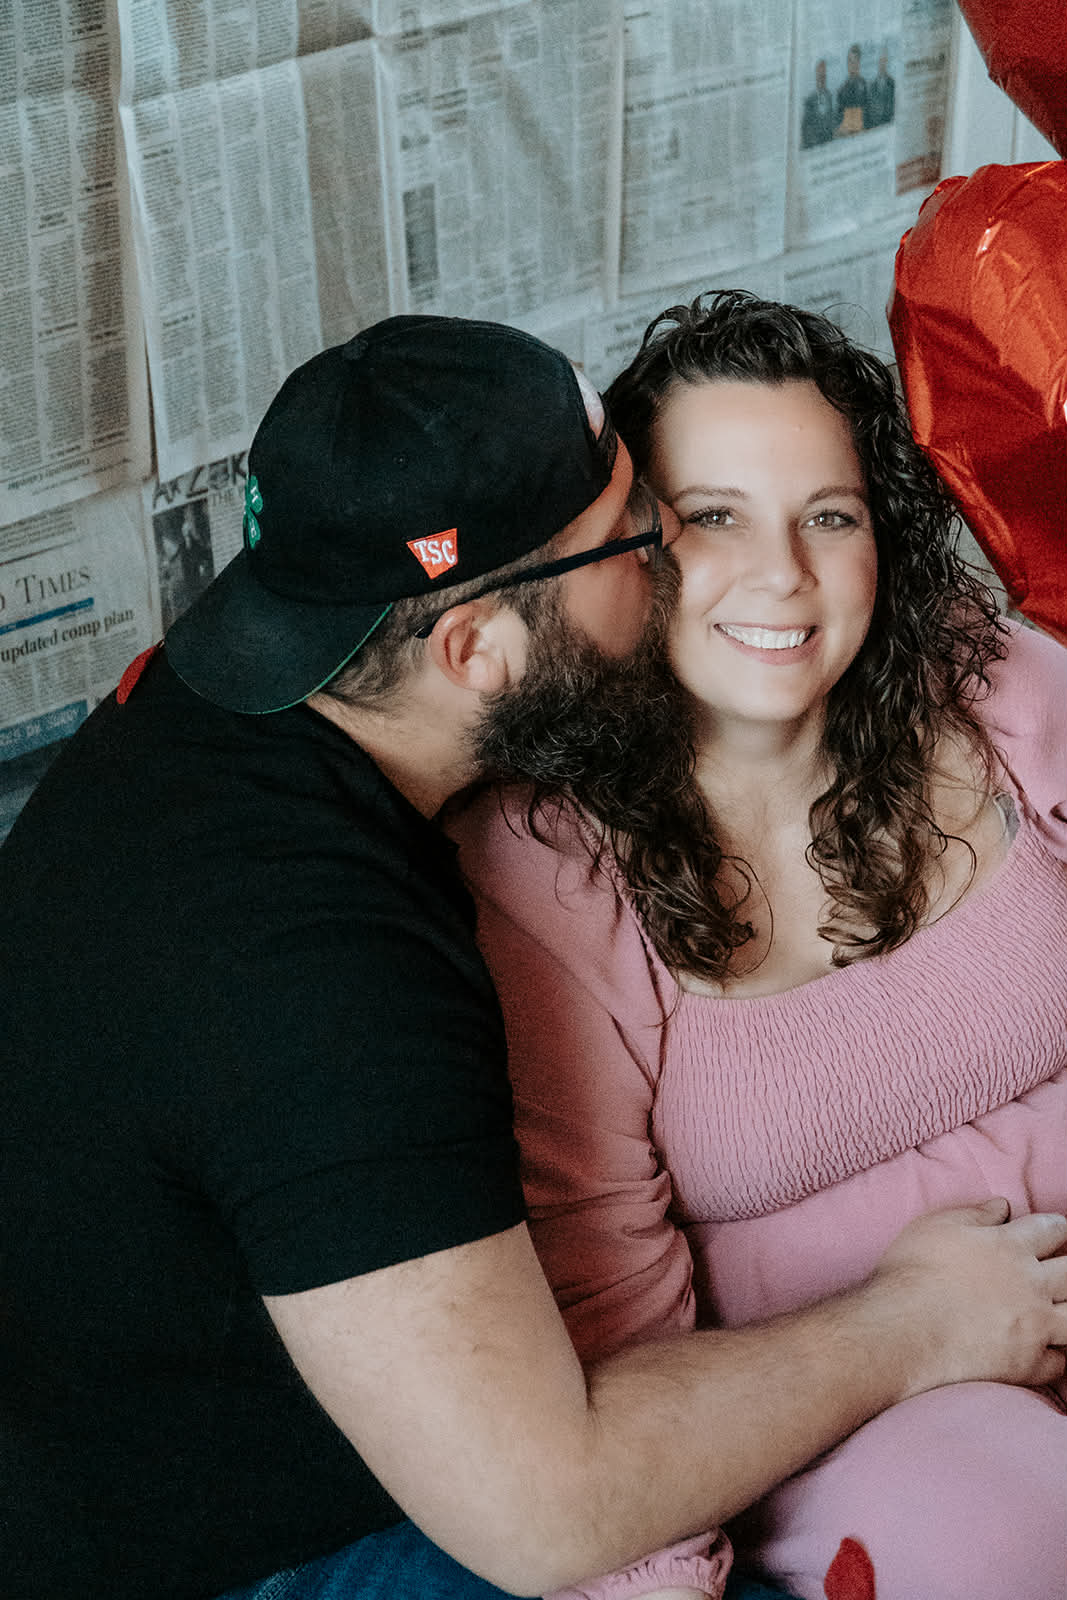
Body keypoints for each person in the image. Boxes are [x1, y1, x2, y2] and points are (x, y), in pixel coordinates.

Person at [2, 315, 1064, 1600]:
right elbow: (552, 1515)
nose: (685, 565)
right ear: (475, 649)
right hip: (274, 1547)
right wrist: (916, 1323)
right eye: (645, 535)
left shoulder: (218, 712)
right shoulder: (324, 973)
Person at [449, 292, 1067, 1600]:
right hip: (860, 1417)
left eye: (826, 516)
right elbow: (598, 1326)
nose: (781, 574)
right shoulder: (541, 868)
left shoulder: (983, 680)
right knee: (1021, 1529)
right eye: (712, 517)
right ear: (624, 552)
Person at [800, 60, 835, 149]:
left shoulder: (829, 96)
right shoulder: (809, 101)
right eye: (820, 76)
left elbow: (831, 121)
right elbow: (805, 128)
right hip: (815, 146)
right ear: (816, 77)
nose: (822, 79)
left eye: (824, 76)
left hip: (829, 144)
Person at [834, 44, 867, 134]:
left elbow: (868, 113)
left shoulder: (865, 85)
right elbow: (838, 118)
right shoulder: (841, 90)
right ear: (847, 64)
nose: (852, 65)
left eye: (855, 61)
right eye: (850, 61)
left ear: (859, 63)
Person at [866, 49, 895, 127]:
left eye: (884, 61)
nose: (882, 64)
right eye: (880, 61)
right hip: (875, 125)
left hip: (889, 125)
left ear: (888, 63)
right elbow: (870, 108)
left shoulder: (893, 84)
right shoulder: (872, 85)